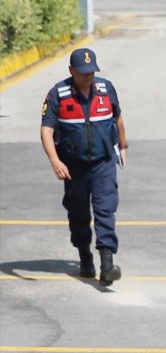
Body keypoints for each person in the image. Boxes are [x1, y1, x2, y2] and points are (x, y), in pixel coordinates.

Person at [40, 48, 128, 286]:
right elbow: (46, 131)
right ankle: (84, 255)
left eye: (90, 73)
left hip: (103, 162)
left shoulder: (106, 89)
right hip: (74, 166)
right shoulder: (58, 94)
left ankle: (107, 263)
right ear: (71, 71)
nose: (87, 78)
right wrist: (55, 161)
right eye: (82, 74)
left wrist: (123, 144)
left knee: (105, 209)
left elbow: (117, 117)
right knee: (78, 212)